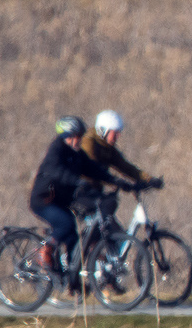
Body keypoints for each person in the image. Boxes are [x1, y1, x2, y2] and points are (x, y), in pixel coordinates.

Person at [28, 115, 135, 280]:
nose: (79, 140)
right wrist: (78, 181)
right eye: (76, 136)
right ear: (66, 136)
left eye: (80, 136)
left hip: (61, 200)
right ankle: (45, 253)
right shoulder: (56, 151)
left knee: (73, 238)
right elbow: (58, 172)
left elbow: (94, 169)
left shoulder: (77, 154)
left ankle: (72, 277)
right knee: (66, 223)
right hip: (44, 201)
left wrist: (116, 181)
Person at [75, 110, 163, 218]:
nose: (118, 136)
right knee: (106, 208)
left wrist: (149, 179)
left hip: (94, 190)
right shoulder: (88, 144)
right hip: (79, 190)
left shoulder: (106, 147)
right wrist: (115, 181)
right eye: (115, 133)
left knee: (110, 208)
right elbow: (92, 170)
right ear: (103, 130)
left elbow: (125, 166)